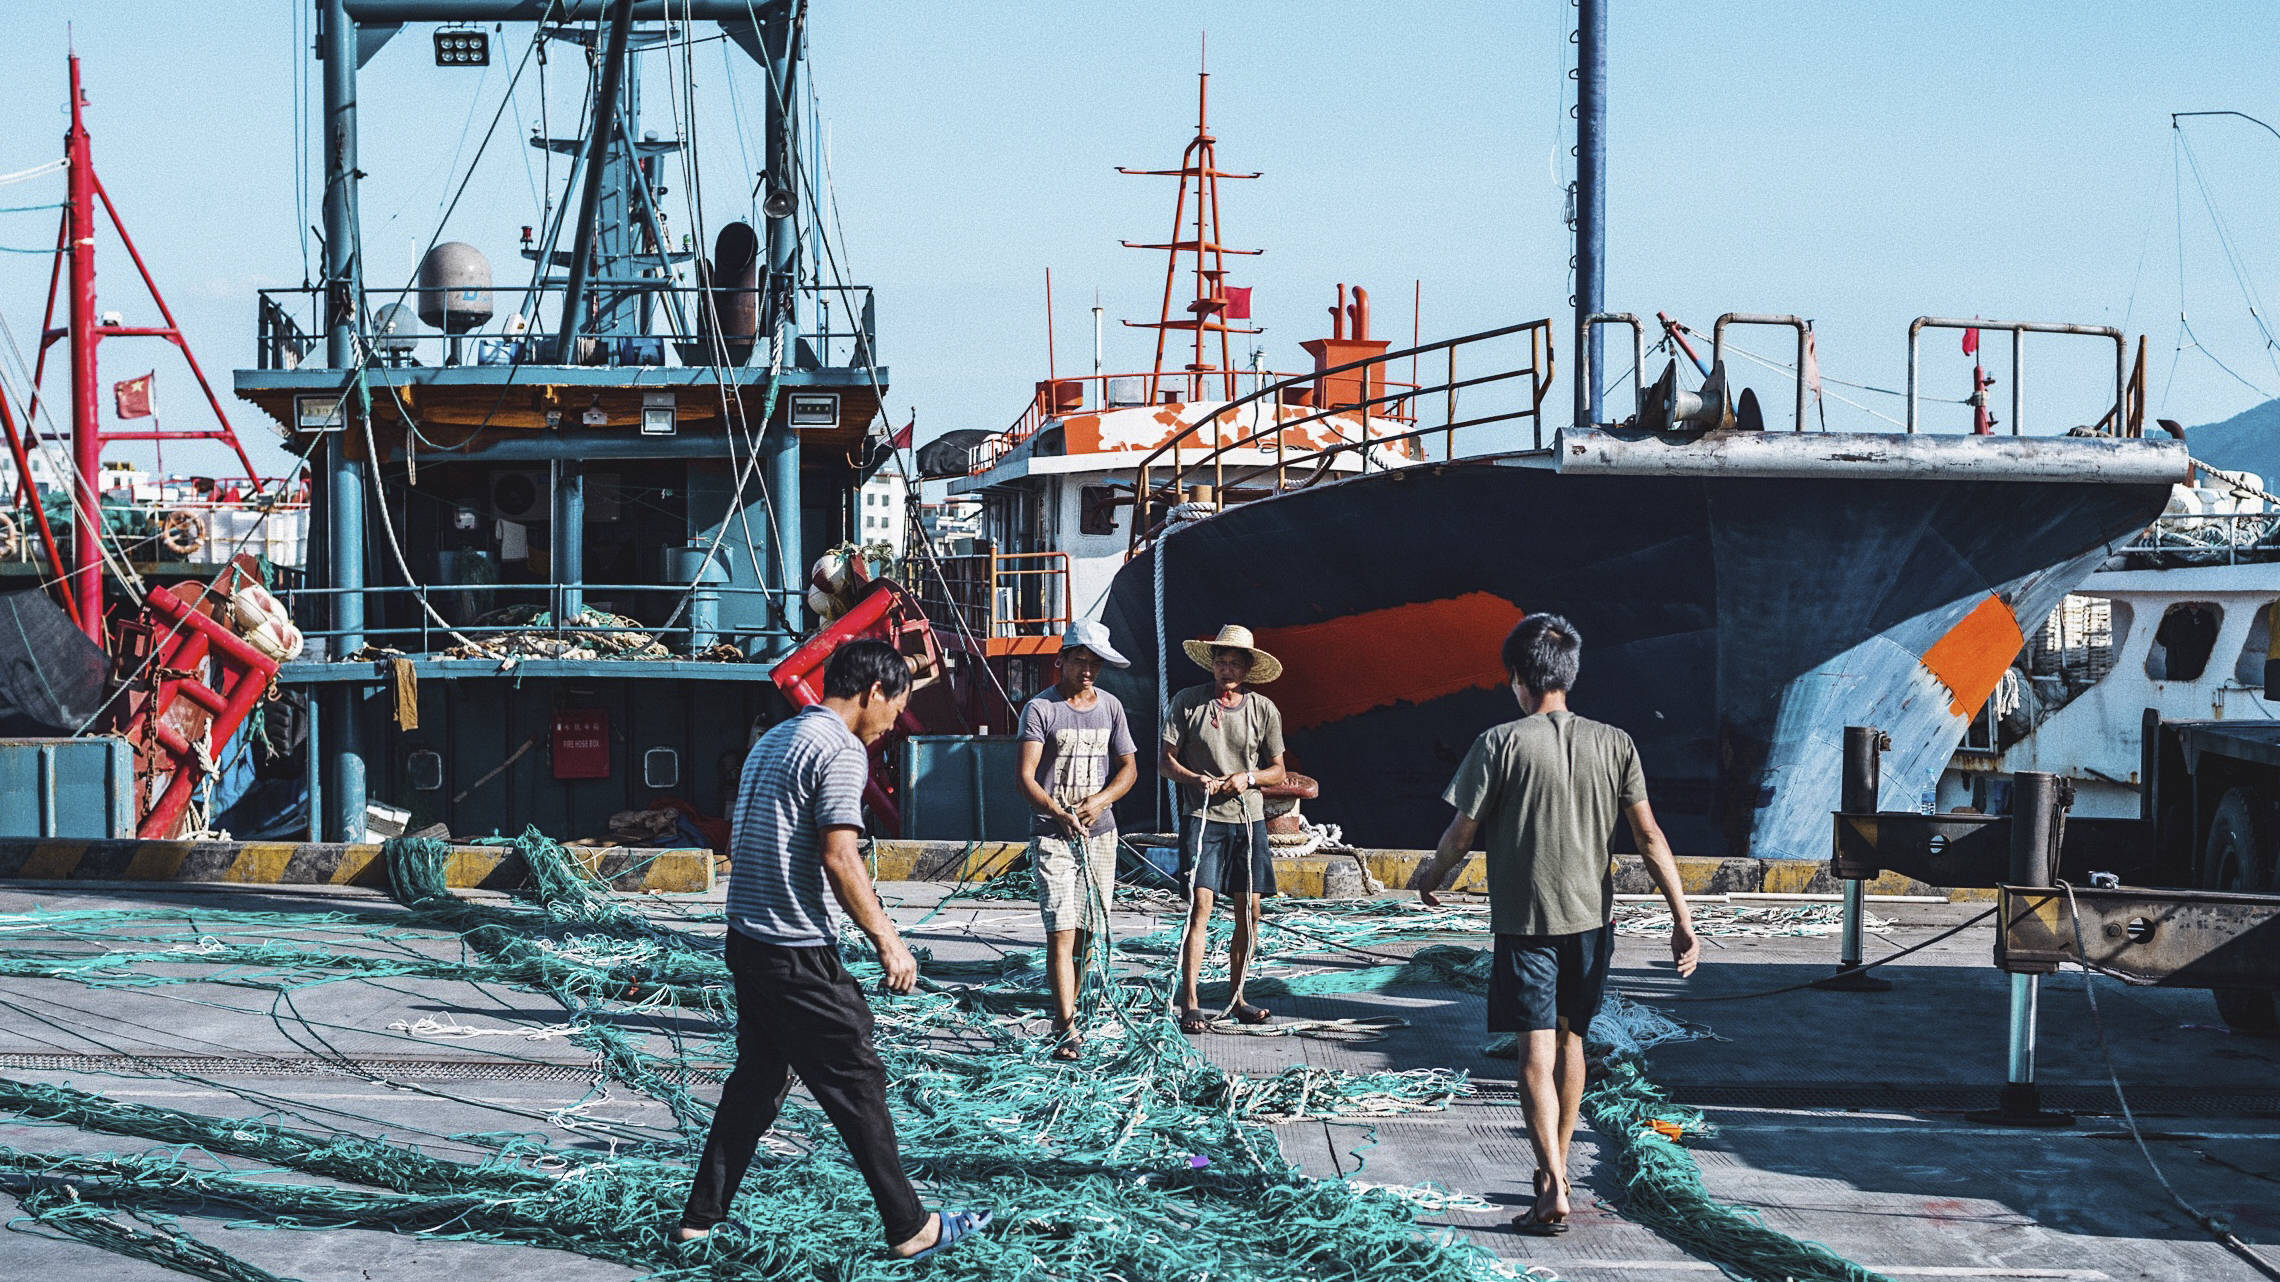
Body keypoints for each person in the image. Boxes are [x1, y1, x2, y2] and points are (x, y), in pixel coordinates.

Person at [678, 638, 990, 1260]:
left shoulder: (775, 738)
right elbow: (839, 854)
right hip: (794, 946)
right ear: (874, 693)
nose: (891, 724)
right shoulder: (841, 749)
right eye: (895, 708)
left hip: (748, 937)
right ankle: (910, 1227)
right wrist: (888, 940)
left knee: (759, 1082)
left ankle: (700, 1219)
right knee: (857, 1072)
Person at [1411, 614, 1700, 1236]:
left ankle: (1550, 1183)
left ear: (1517, 678)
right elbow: (1649, 836)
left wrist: (1432, 876)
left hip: (1525, 923)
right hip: (1592, 923)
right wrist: (1682, 919)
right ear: (1570, 674)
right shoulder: (1617, 742)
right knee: (1572, 1044)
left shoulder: (1498, 743)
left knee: (1532, 1054)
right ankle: (1557, 1172)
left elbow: (1462, 832)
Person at [1015, 619, 1140, 1061]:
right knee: (1061, 932)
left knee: (1090, 932)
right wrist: (1057, 811)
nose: (1087, 671)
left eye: (1095, 664)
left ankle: (1076, 1008)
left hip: (1101, 836)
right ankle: (1065, 1024)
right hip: (1052, 836)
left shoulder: (1111, 708)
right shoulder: (1040, 710)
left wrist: (1100, 801)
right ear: (1061, 660)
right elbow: (1026, 778)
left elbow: (1129, 769)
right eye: (1080, 661)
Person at [1158, 623, 1288, 1034]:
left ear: (1247, 669)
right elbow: (1165, 761)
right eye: (1221, 661)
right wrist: (1195, 779)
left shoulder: (1263, 709)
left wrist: (1247, 778)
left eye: (1234, 663)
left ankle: (1238, 997)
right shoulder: (1187, 703)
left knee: (1249, 912)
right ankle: (1192, 1001)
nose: (1226, 669)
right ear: (1211, 664)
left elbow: (1277, 771)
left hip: (1248, 822)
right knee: (1201, 907)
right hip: (1203, 820)